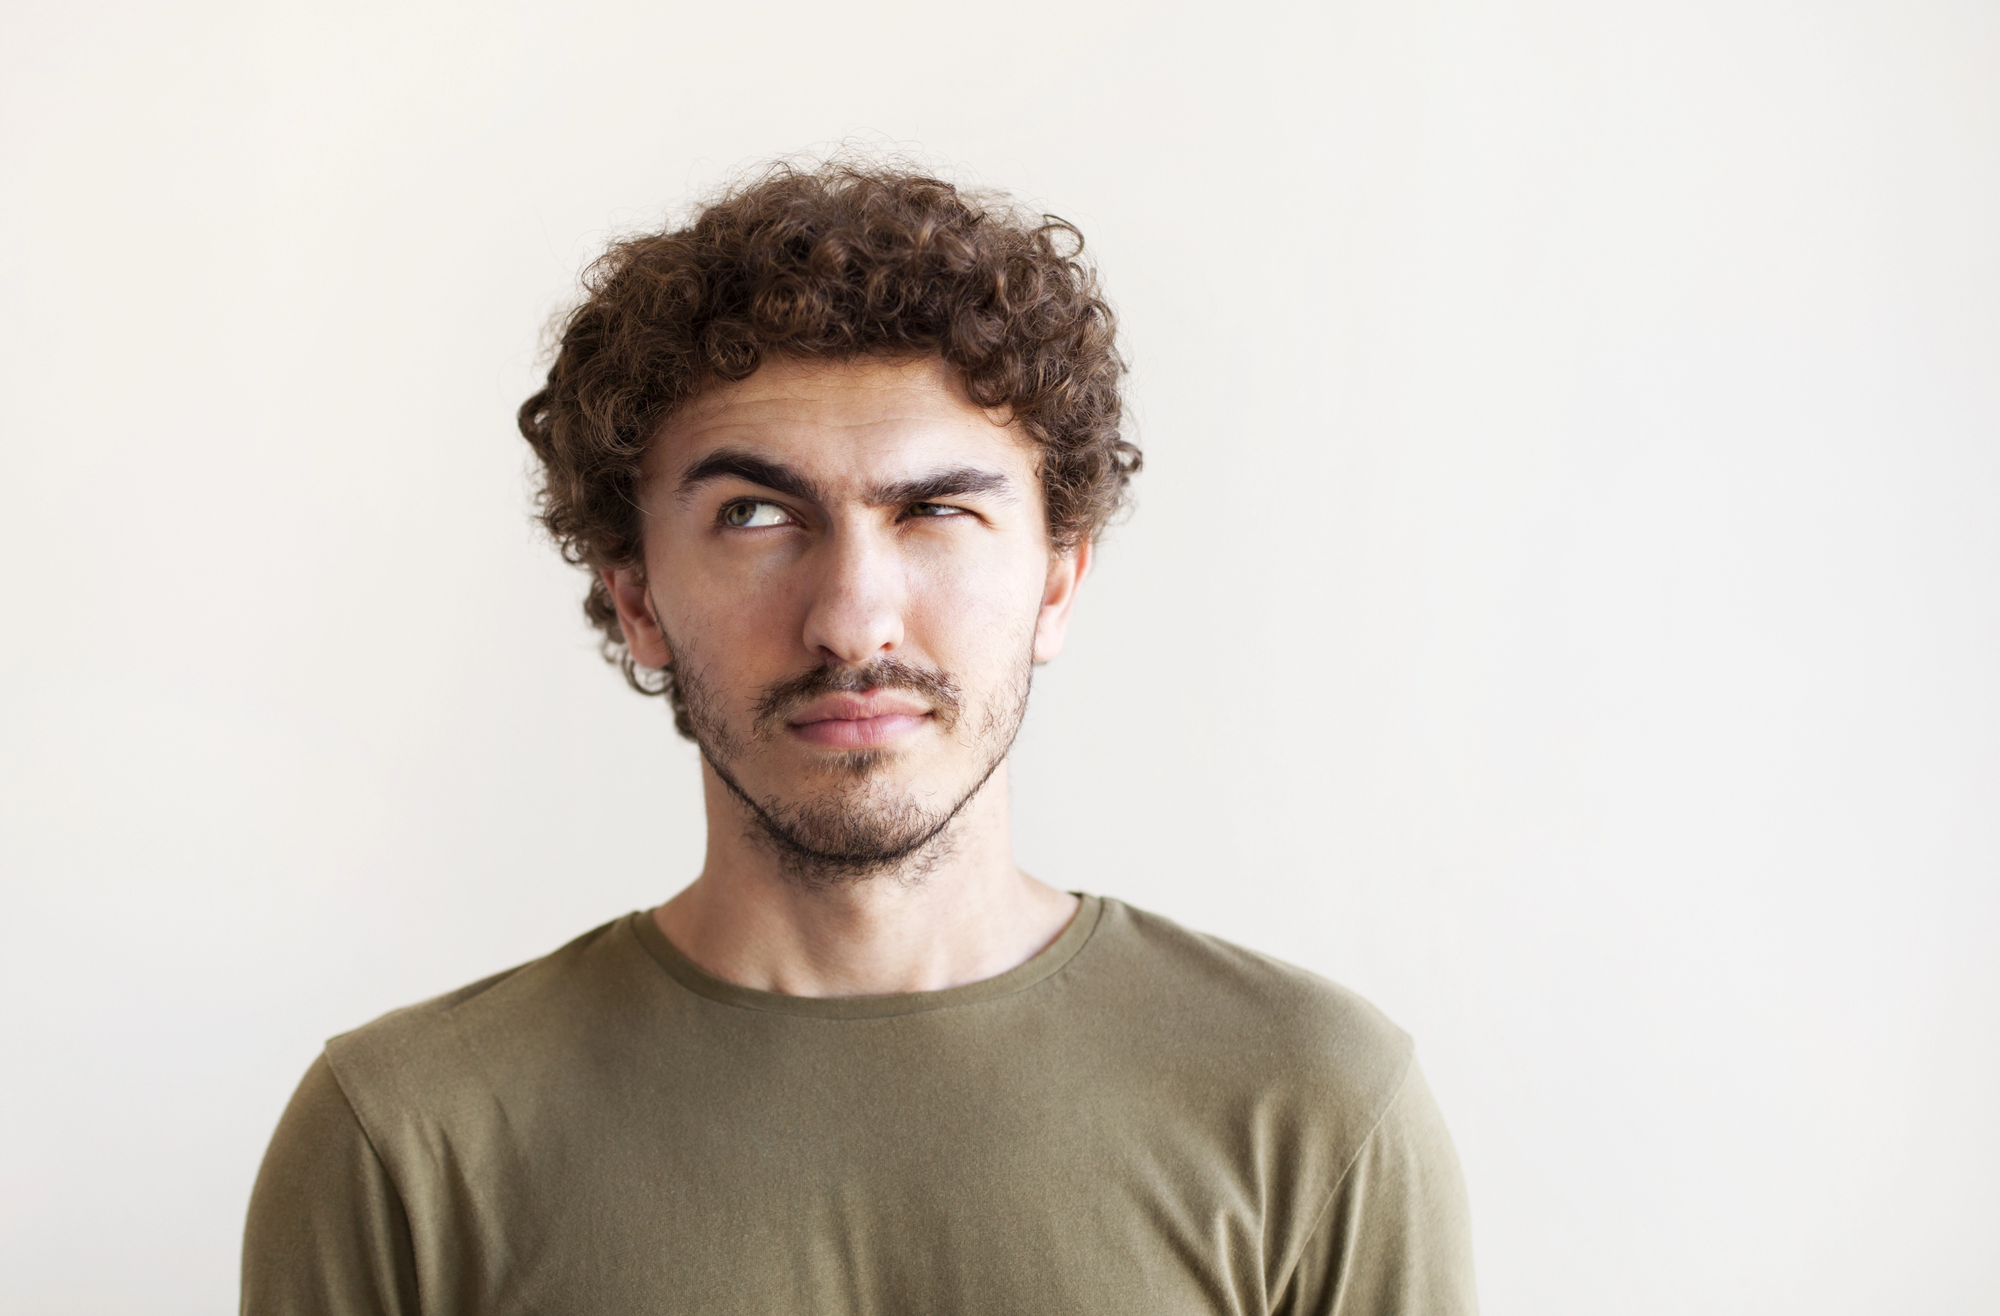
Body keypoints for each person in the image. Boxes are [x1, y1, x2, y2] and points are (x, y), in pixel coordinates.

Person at [242, 161, 1478, 1315]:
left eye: (934, 509)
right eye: (754, 514)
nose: (849, 620)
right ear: (635, 596)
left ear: (1055, 581)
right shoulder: (404, 1142)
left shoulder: (1311, 1108)